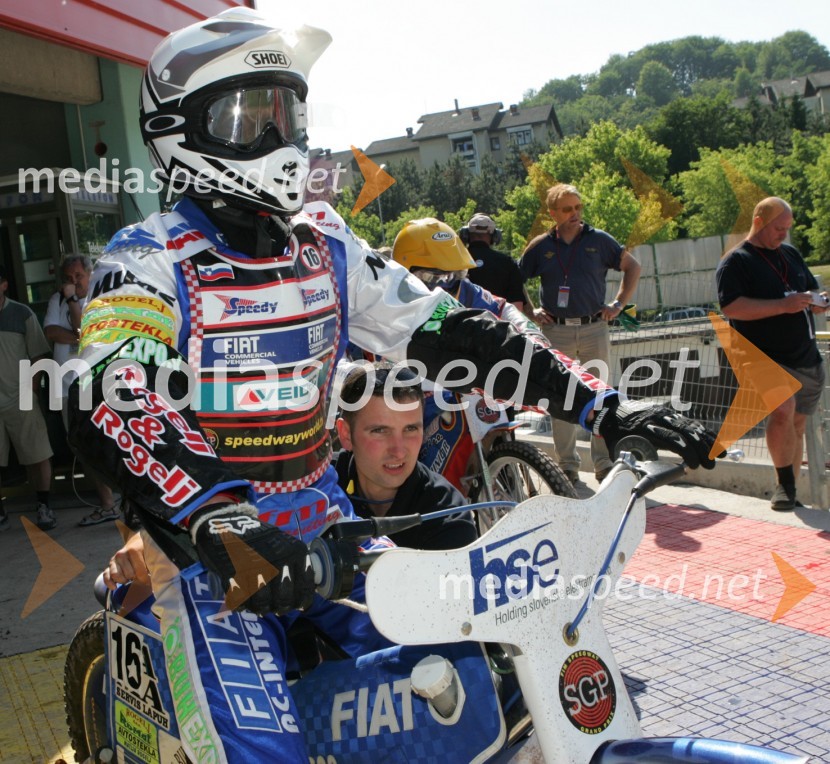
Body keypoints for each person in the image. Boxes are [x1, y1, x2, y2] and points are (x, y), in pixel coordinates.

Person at [68, 9, 715, 762]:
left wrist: (603, 407)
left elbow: (455, 331)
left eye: (287, 111)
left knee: (477, 680)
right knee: (263, 752)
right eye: (249, 115)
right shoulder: (146, 257)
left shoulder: (324, 241)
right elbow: (108, 385)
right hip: (211, 556)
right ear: (178, 130)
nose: (279, 135)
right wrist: (216, 517)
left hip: (328, 526)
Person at [519, 183, 642, 485]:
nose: (575, 213)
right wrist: (531, 311)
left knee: (600, 396)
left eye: (578, 207)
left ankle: (604, 464)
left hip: (593, 328)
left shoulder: (599, 240)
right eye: (567, 209)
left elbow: (633, 266)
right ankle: (567, 467)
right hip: (556, 330)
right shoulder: (541, 246)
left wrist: (618, 304)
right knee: (560, 397)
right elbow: (515, 279)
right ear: (553, 214)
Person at [716, 197, 827, 511]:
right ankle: (784, 488)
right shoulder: (736, 261)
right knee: (782, 409)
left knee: (797, 424)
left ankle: (791, 491)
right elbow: (731, 307)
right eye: (779, 228)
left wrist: (818, 301)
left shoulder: (790, 254)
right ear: (759, 222)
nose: (784, 234)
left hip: (803, 354)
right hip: (761, 356)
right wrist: (783, 305)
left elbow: (809, 289)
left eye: (787, 228)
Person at [334, 362, 477, 550]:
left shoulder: (447, 517)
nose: (399, 452)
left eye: (410, 429)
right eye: (380, 431)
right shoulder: (316, 488)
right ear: (346, 435)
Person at [43, 254, 120, 525]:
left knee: (110, 443)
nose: (73, 282)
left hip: (96, 383)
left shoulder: (99, 299)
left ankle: (125, 501)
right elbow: (51, 332)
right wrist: (78, 335)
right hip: (67, 387)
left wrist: (74, 302)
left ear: (90, 275)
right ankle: (107, 504)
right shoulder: (57, 300)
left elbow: (81, 330)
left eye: (79, 277)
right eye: (68, 278)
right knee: (82, 447)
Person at [0, 264, 55, 531]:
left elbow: (38, 354)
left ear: (4, 284)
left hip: (20, 395)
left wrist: (30, 390)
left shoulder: (22, 313)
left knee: (37, 453)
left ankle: (44, 505)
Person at [460, 213, 526, 310]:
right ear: (495, 236)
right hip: (496, 319)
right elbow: (516, 306)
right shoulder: (507, 263)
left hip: (462, 318)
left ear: (465, 234)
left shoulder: (456, 261)